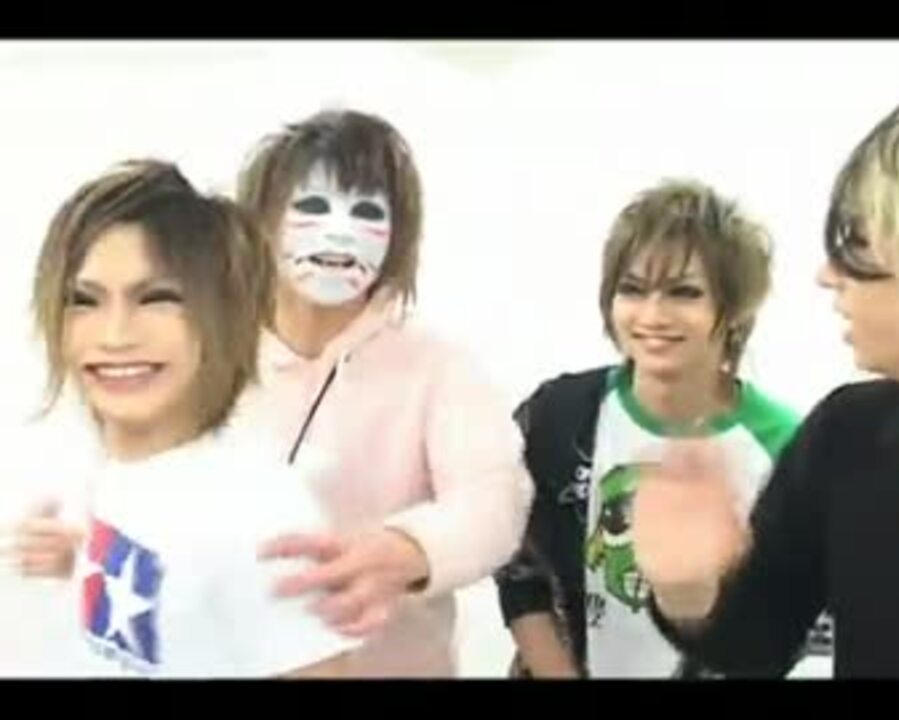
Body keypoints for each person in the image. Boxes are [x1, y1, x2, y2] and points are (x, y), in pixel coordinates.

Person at [632, 88, 899, 678]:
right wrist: (688, 589)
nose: (827, 276)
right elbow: (752, 646)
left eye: (858, 245)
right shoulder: (848, 433)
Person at [9, 159, 358, 677]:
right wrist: (73, 568)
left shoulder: (262, 509)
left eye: (157, 299)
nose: (115, 335)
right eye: (84, 301)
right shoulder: (95, 473)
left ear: (222, 316)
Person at [233, 109, 533, 676]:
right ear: (260, 221)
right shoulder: (204, 358)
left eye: (367, 212)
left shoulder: (440, 366)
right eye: (313, 207)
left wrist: (406, 550)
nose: (338, 233)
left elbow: (495, 499)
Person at [494, 179, 821, 678]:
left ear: (736, 309)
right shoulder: (557, 415)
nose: (652, 315)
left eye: (683, 293)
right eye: (632, 289)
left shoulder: (788, 446)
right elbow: (517, 569)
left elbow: (791, 626)